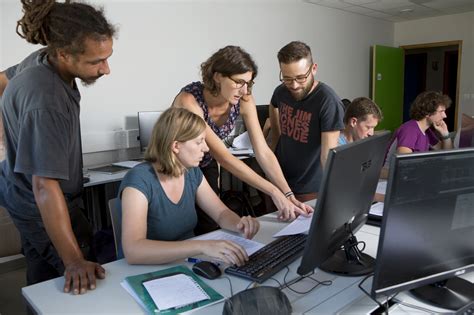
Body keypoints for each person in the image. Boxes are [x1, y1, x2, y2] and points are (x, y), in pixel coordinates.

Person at [0, 0, 116, 295]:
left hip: (19, 191)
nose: (106, 69)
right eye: (96, 62)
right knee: (76, 281)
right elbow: (44, 187)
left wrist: (7, 130)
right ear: (64, 54)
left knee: (42, 281)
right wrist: (74, 260)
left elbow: (3, 80)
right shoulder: (47, 101)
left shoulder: (40, 58)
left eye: (107, 57)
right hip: (38, 203)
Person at [172, 46, 311, 234]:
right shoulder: (190, 101)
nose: (245, 90)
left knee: (210, 225)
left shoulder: (244, 99)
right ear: (217, 76)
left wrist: (288, 194)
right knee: (181, 226)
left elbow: (262, 151)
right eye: (239, 82)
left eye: (249, 82)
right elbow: (223, 156)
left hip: (205, 163)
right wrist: (273, 191)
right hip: (176, 168)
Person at [119, 108, 260, 265]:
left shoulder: (191, 172)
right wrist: (201, 246)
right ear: (176, 146)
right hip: (149, 269)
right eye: (199, 142)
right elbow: (133, 251)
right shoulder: (139, 180)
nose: (206, 148)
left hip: (185, 262)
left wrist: (239, 225)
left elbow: (221, 213)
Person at [269, 41, 345, 202]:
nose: (294, 85)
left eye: (301, 78)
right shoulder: (281, 91)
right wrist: (273, 144)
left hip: (310, 188)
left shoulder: (328, 100)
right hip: (279, 181)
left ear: (314, 69)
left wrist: (335, 194)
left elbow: (328, 155)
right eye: (287, 78)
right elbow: (273, 105)